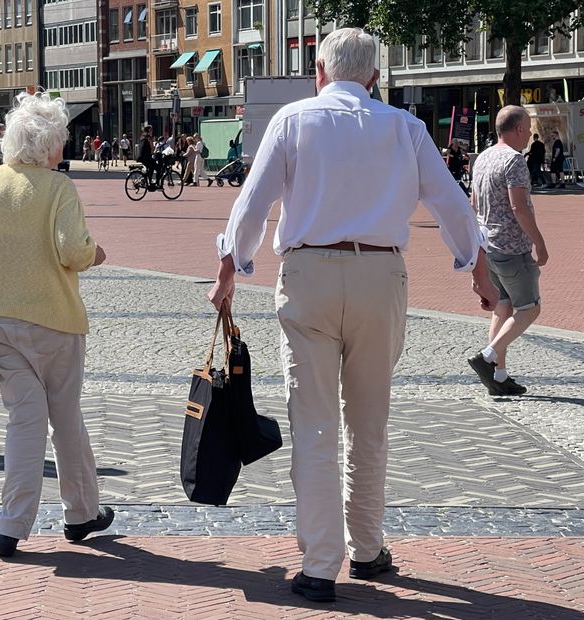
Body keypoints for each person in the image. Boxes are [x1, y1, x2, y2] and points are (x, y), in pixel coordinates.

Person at [207, 28, 496, 603]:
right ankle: (367, 547)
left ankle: (319, 565)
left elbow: (253, 202)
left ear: (320, 71)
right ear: (372, 78)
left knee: (313, 421)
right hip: (380, 274)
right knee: (369, 417)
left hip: (309, 274)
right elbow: (450, 201)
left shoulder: (292, 121)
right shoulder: (405, 128)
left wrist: (231, 266)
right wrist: (477, 269)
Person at [0, 92, 114, 558]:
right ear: (49, 145)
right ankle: (80, 513)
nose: (64, 146)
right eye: (61, 138)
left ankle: (9, 526)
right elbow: (73, 251)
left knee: (25, 420)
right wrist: (95, 253)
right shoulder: (59, 187)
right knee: (65, 416)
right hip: (56, 320)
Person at [467, 105, 548, 400]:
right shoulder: (514, 161)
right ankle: (487, 357)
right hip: (513, 247)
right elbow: (519, 206)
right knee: (529, 307)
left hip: (488, 243)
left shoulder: (483, 158)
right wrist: (538, 241)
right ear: (517, 130)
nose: (528, 134)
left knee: (502, 308)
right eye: (526, 128)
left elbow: (474, 203)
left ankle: (499, 376)